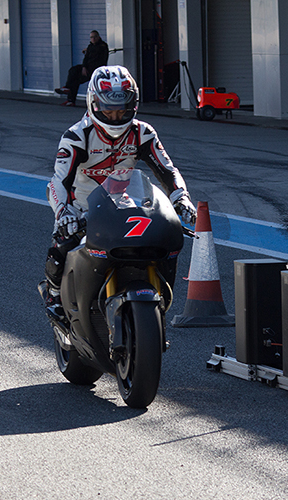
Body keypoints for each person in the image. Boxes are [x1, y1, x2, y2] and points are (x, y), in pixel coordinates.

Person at [42, 65, 197, 309]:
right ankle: (53, 296)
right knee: (63, 246)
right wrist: (63, 212)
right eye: (108, 110)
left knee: (163, 242)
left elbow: (167, 170)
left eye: (121, 109)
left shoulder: (143, 132)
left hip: (126, 207)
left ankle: (157, 294)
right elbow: (57, 181)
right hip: (82, 210)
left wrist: (181, 198)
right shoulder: (77, 136)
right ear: (93, 103)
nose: (115, 116)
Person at [55, 30, 109, 106]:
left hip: (96, 70)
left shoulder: (102, 46)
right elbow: (86, 59)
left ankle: (70, 95)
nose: (93, 39)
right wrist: (84, 67)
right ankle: (69, 95)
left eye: (95, 37)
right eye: (91, 37)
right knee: (73, 71)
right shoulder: (90, 46)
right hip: (87, 68)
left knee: (75, 80)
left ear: (98, 37)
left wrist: (88, 50)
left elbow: (97, 54)